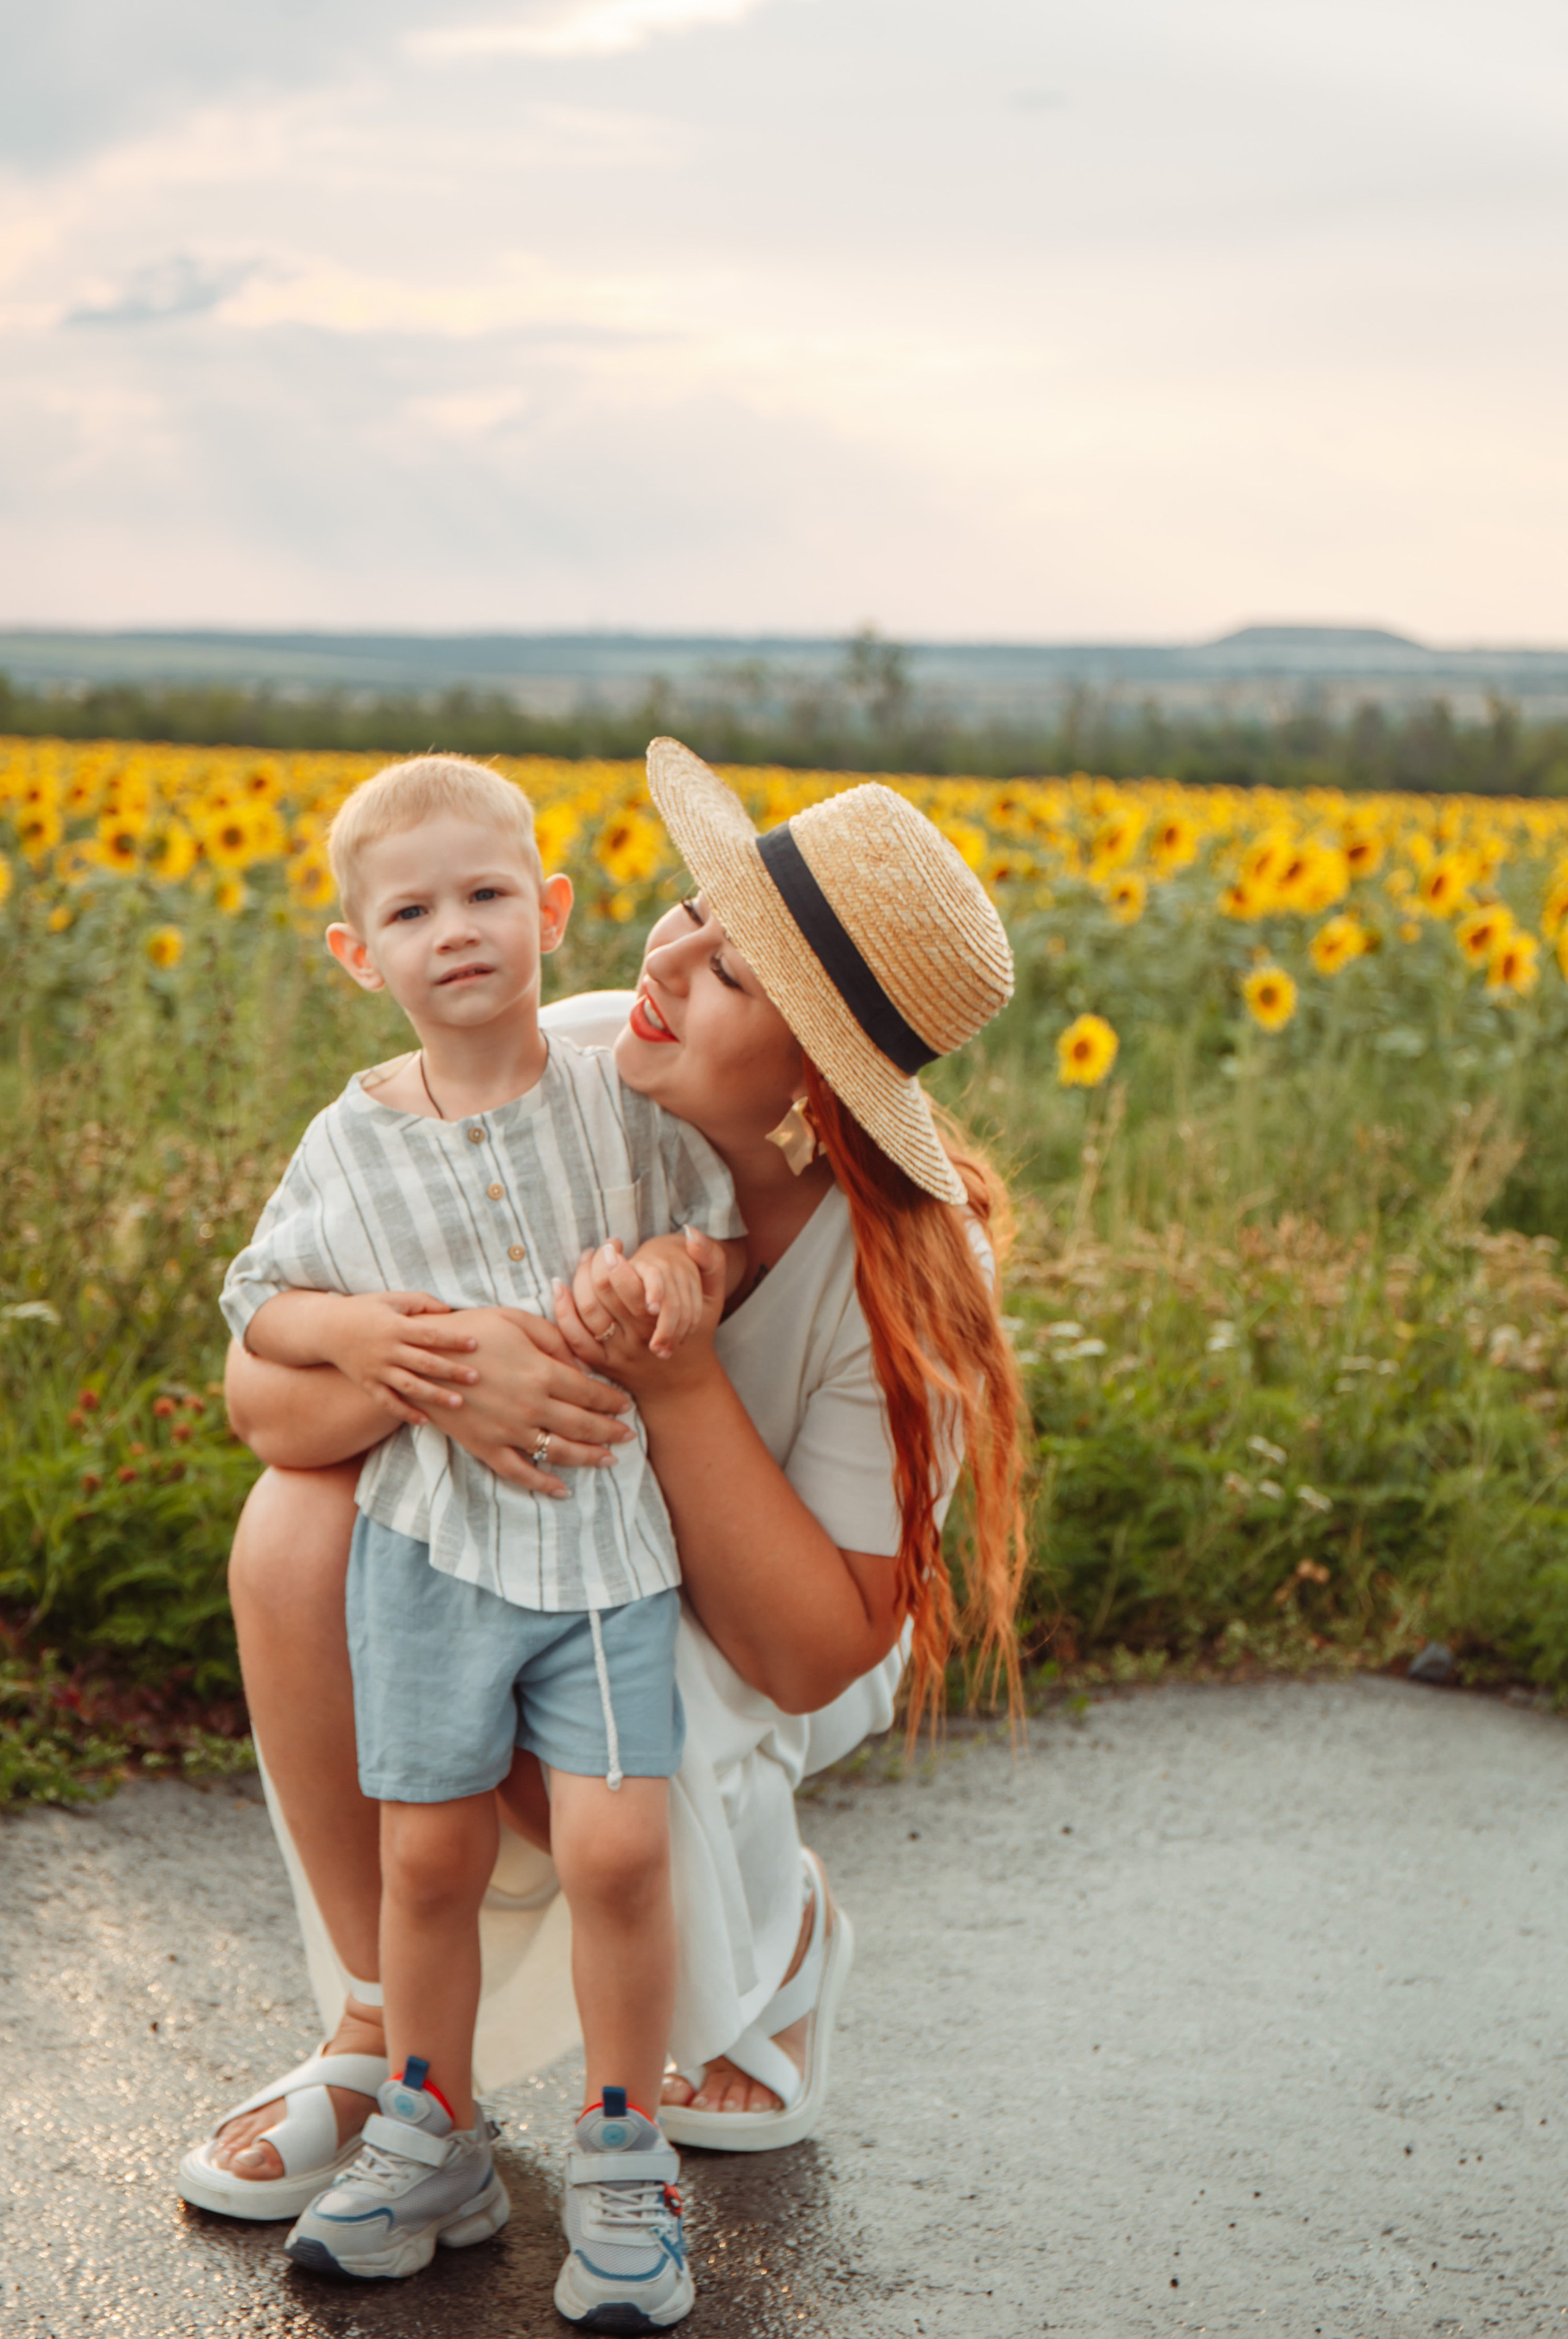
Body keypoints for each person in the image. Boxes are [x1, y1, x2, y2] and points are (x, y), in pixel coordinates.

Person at [179, 739, 1026, 2269]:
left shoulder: (905, 1262)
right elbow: (263, 1397)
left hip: (750, 1626)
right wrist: (449, 1368)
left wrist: (676, 1378)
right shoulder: (566, 1051)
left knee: (608, 1781)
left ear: (822, 1078)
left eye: (735, 973)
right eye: (695, 909)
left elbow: (810, 1650)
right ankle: (381, 2030)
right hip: (532, 1520)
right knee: (297, 1528)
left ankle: (770, 1937)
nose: (668, 961)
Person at [214, 752, 743, 2322]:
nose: (453, 930)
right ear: (355, 952)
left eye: (487, 894)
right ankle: (430, 2132)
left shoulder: (608, 1099)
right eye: (410, 912)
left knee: (616, 1847)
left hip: (599, 1547)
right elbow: (260, 1301)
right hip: (427, 1555)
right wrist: (358, 1331)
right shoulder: (347, 1141)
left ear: (550, 911)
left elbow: (708, 1226)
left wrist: (674, 1276)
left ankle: (623, 2148)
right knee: (428, 1856)